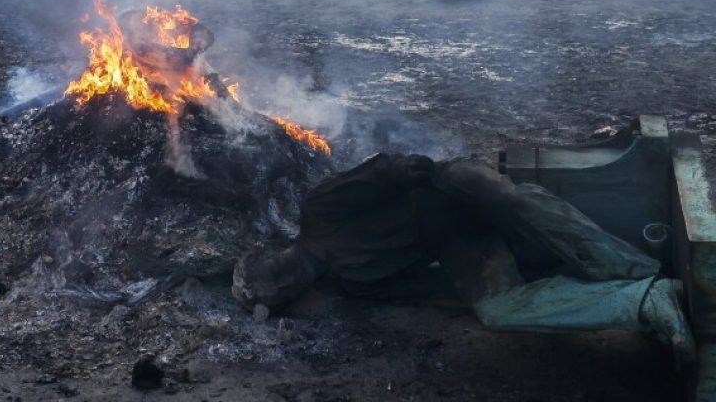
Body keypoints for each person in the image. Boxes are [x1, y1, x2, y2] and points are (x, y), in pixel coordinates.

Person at [233, 153, 693, 364]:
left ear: (278, 255)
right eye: (282, 288)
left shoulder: (318, 210)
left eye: (275, 270)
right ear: (292, 294)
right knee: (497, 310)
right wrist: (484, 286)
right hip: (460, 245)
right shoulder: (355, 283)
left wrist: (417, 171)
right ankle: (645, 299)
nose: (288, 277)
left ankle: (636, 269)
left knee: (515, 203)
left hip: (449, 188)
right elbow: (435, 287)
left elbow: (384, 170)